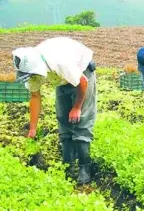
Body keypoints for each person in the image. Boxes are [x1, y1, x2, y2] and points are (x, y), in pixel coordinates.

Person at [12, 37, 97, 185]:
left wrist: (76, 108)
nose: (31, 78)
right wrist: (33, 128)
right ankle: (68, 166)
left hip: (82, 74)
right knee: (63, 118)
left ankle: (84, 167)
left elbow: (82, 82)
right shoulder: (32, 68)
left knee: (81, 120)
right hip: (61, 80)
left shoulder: (61, 62)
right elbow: (35, 96)